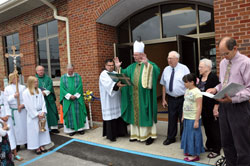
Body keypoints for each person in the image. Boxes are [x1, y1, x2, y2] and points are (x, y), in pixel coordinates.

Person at [207, 37, 250, 165]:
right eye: (221, 54)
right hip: (224, 107)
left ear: (235, 49)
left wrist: (234, 99)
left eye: (226, 53)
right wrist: (215, 89)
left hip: (239, 107)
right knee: (226, 142)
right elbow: (223, 84)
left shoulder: (246, 63)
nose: (224, 57)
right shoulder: (223, 63)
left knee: (242, 144)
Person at [114, 40, 160, 145]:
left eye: (136, 55)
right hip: (133, 96)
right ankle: (135, 135)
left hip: (145, 96)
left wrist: (147, 63)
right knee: (134, 115)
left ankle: (149, 136)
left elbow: (156, 71)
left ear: (142, 54)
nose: (134, 57)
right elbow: (124, 75)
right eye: (134, 55)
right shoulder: (132, 66)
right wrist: (118, 68)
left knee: (146, 114)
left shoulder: (149, 64)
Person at [160, 51, 190, 145]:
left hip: (182, 98)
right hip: (171, 98)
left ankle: (184, 138)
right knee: (171, 118)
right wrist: (164, 99)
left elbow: (189, 84)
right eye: (168, 58)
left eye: (171, 58)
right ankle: (170, 137)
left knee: (183, 119)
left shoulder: (184, 69)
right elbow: (163, 85)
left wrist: (188, 98)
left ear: (177, 59)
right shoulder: (166, 69)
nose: (169, 60)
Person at [99, 59, 128, 142]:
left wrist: (119, 68)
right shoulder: (103, 74)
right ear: (105, 66)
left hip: (116, 99)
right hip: (108, 100)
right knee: (111, 117)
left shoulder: (115, 73)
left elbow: (121, 77)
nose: (111, 67)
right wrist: (116, 85)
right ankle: (112, 135)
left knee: (118, 115)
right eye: (109, 65)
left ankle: (120, 132)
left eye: (112, 65)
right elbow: (108, 84)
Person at [197, 59, 221, 158]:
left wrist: (216, 107)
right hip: (204, 107)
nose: (199, 69)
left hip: (211, 107)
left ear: (207, 67)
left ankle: (216, 149)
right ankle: (209, 145)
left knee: (214, 128)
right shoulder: (200, 77)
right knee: (207, 127)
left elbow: (219, 93)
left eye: (201, 67)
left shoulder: (213, 77)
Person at [23, 76, 51, 155]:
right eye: (35, 82)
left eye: (37, 82)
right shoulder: (26, 92)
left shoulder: (39, 90)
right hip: (33, 115)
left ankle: (42, 145)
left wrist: (43, 111)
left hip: (41, 113)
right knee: (34, 131)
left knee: (42, 130)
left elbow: (43, 102)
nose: (36, 83)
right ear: (31, 82)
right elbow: (28, 105)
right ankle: (36, 146)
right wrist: (36, 114)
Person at [60, 64, 89, 136]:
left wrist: (75, 96)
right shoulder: (63, 78)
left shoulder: (78, 77)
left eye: (71, 71)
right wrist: (69, 96)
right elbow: (62, 89)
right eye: (69, 71)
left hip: (77, 99)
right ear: (67, 70)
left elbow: (80, 87)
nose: (70, 72)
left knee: (79, 113)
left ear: (74, 69)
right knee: (69, 114)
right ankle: (70, 130)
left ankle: (80, 129)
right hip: (68, 100)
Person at [181, 73, 204, 162]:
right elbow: (185, 103)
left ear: (192, 82)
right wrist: (183, 115)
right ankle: (189, 150)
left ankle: (195, 154)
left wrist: (196, 120)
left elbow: (199, 106)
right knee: (187, 135)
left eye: (186, 82)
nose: (184, 84)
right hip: (187, 117)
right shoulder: (187, 90)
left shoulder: (197, 92)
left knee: (193, 136)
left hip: (193, 118)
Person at [4, 72, 27, 161]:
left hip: (21, 109)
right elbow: (6, 100)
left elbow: (26, 98)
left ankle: (26, 142)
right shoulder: (7, 88)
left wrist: (22, 105)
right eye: (14, 78)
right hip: (14, 110)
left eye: (17, 78)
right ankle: (17, 144)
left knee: (24, 127)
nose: (16, 79)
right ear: (11, 79)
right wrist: (14, 96)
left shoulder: (22, 87)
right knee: (16, 129)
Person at [36, 65, 60, 133]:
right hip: (40, 99)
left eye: (42, 70)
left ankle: (54, 127)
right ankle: (45, 127)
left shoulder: (48, 78)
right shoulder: (35, 79)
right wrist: (41, 93)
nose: (41, 72)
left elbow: (50, 86)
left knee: (52, 112)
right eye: (39, 70)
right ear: (37, 71)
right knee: (43, 113)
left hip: (49, 98)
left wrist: (45, 92)